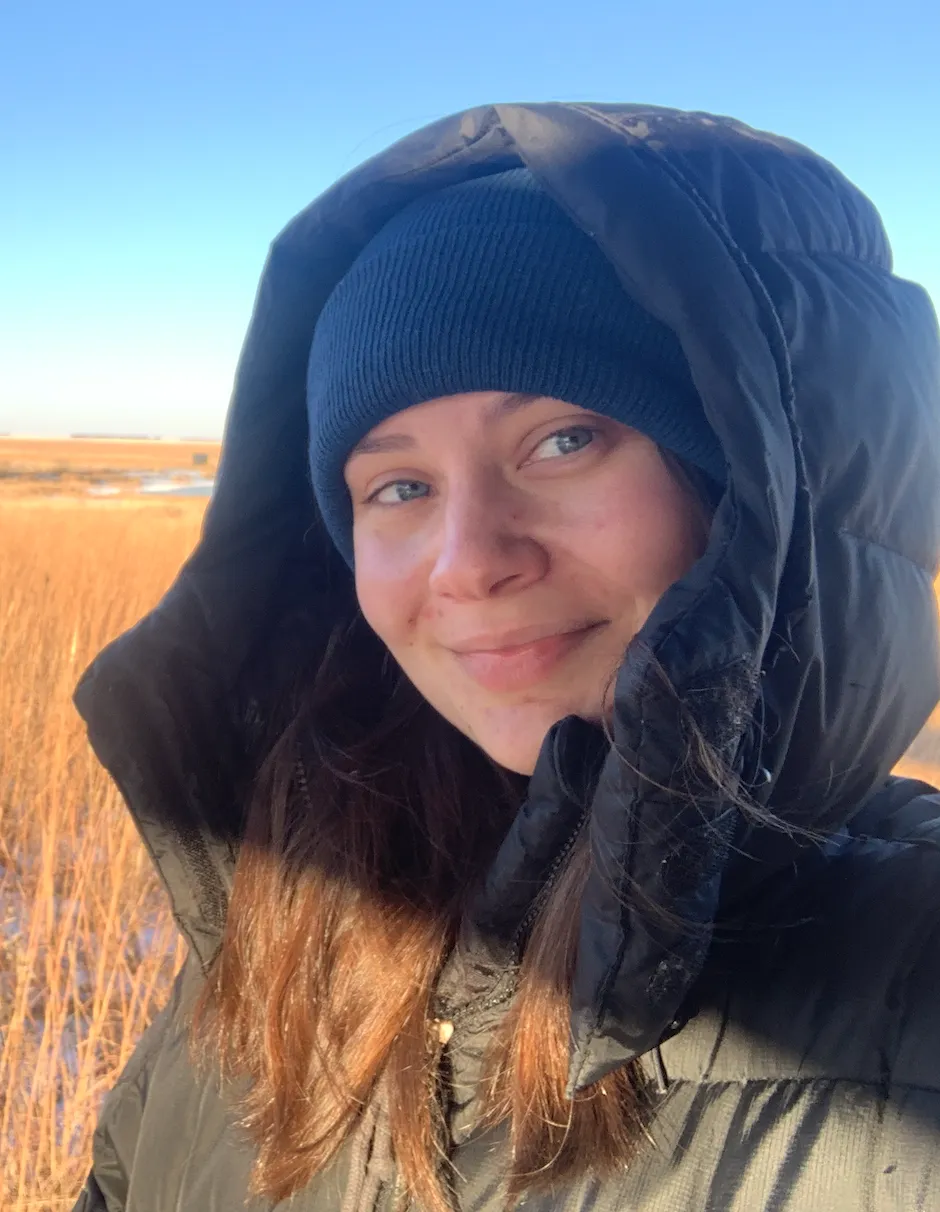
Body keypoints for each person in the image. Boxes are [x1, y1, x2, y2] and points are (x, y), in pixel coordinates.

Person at [73, 103, 940, 1212]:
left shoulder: (911, 972)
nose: (468, 563)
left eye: (563, 441)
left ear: (758, 496)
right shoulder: (278, 926)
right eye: (399, 486)